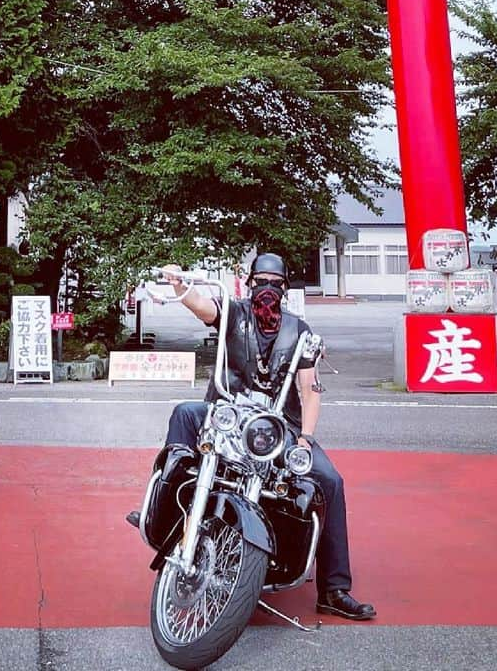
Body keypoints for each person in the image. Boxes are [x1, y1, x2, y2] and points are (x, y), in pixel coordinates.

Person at [150, 252, 376, 621]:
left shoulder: (300, 330)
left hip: (278, 429)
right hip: (228, 416)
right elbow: (202, 307)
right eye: (261, 281)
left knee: (330, 481)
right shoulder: (233, 314)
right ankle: (164, 514)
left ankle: (334, 589)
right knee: (185, 414)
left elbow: (311, 387)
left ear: (285, 288)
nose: (267, 288)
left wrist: (305, 437)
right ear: (250, 283)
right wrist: (179, 283)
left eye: (275, 283)